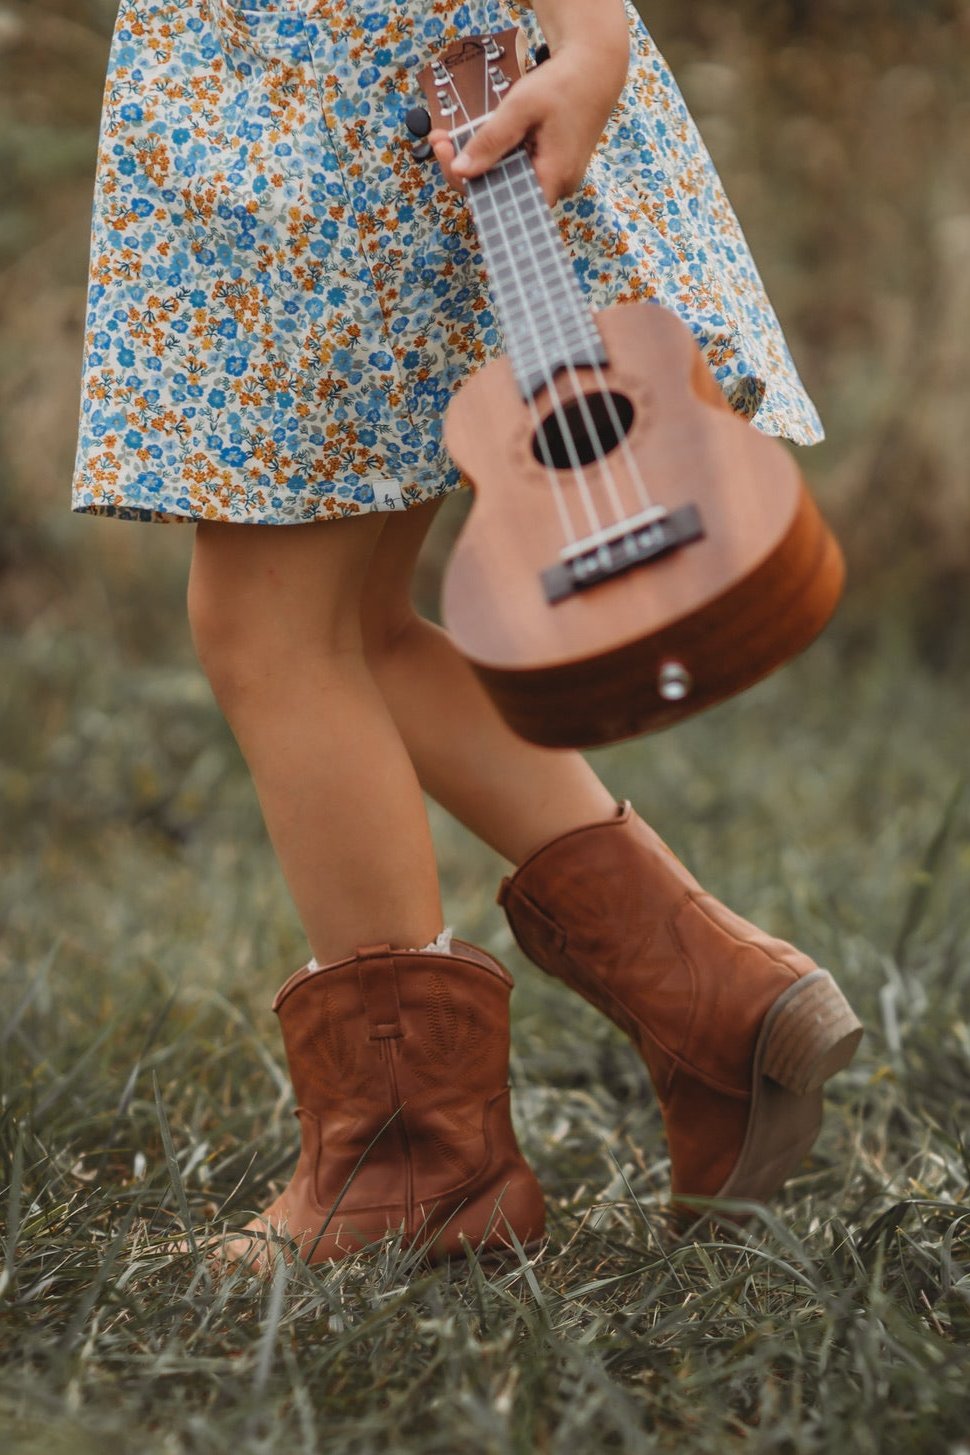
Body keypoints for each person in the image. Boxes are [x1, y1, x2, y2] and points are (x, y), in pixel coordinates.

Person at [73, 0, 861, 1266]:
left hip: (319, 107)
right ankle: (712, 996)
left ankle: (410, 1160)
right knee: (351, 626)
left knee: (272, 629)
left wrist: (588, 34)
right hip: (357, 91)